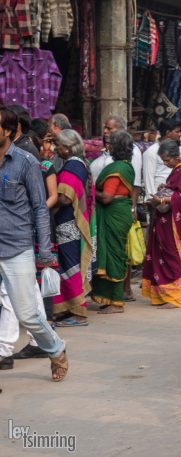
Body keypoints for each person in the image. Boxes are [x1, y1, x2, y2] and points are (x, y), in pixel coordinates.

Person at [0, 107, 68, 380]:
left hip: (17, 248)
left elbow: (40, 207)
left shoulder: (26, 162)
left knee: (28, 315)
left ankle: (55, 348)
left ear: (7, 131)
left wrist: (46, 251)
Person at [142, 140, 181, 309]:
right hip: (165, 221)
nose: (166, 164)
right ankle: (162, 295)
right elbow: (174, 191)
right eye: (163, 161)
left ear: (176, 157)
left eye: (167, 160)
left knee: (173, 257)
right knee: (161, 255)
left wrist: (163, 199)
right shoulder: (175, 171)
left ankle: (175, 297)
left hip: (175, 224)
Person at [53, 129, 94, 327]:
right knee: (68, 267)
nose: (56, 149)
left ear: (67, 148)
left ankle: (79, 313)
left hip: (69, 223)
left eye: (59, 145)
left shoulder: (72, 166)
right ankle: (67, 308)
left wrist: (48, 202)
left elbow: (65, 197)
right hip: (71, 223)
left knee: (70, 267)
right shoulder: (80, 163)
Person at [91, 131, 135, 314]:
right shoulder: (127, 166)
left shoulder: (117, 168)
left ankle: (116, 302)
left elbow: (107, 197)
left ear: (114, 148)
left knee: (114, 256)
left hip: (113, 215)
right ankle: (109, 297)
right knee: (114, 254)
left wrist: (92, 192)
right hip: (120, 213)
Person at [141, 119, 181, 200]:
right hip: (158, 197)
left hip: (178, 197)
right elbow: (148, 178)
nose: (180, 134)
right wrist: (152, 199)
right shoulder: (151, 152)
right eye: (177, 132)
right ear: (168, 133)